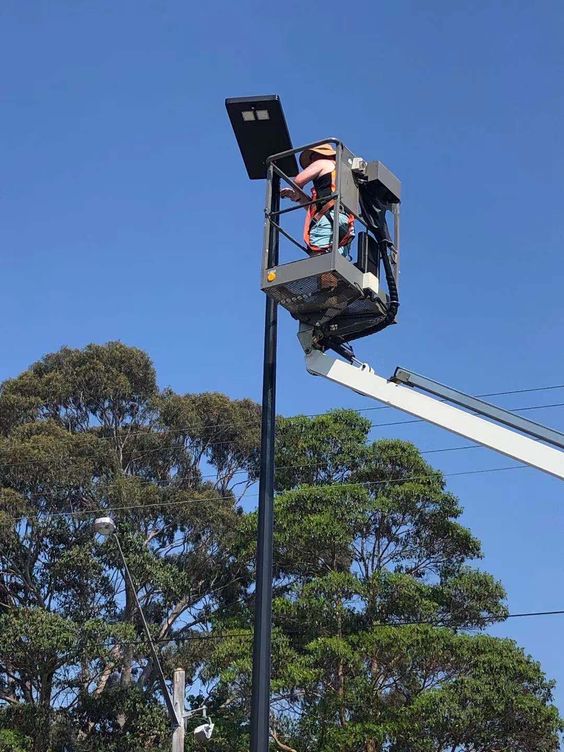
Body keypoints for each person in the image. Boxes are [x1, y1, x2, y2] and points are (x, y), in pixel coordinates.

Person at [280, 143, 355, 257]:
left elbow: (298, 181)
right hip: (345, 222)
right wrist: (297, 197)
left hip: (327, 220)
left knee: (319, 260)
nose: (311, 162)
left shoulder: (322, 162)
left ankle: (325, 275)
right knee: (336, 261)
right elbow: (315, 207)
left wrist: (295, 189)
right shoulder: (344, 175)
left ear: (318, 155)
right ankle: (329, 275)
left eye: (312, 157)